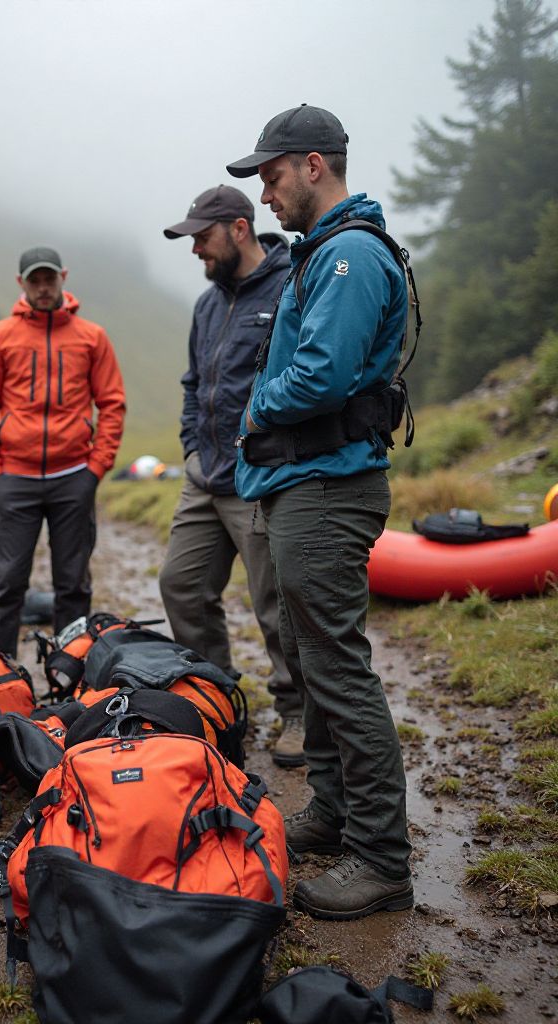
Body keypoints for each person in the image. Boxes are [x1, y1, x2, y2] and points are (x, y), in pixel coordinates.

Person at [228, 105, 413, 919]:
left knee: (337, 668)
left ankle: (381, 858)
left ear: (312, 165)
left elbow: (321, 378)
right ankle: (336, 813)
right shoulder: (323, 254)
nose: (264, 195)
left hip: (329, 488)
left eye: (269, 176)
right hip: (305, 484)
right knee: (314, 662)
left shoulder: (347, 258)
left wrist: (252, 412)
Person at [159, 185, 304, 766]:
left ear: (239, 229)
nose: (195, 249)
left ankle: (296, 712)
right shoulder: (206, 304)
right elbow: (195, 384)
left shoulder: (291, 284)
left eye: (202, 236)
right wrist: (192, 448)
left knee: (275, 601)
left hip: (261, 476)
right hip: (205, 476)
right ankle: (214, 696)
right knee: (181, 585)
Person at [0, 246, 126, 656]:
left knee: (73, 586)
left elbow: (112, 404)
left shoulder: (92, 338)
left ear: (63, 278)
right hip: (13, 480)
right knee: (5, 586)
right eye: (33, 280)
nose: (42, 287)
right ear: (21, 284)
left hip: (74, 477)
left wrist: (96, 468)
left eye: (48, 279)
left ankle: (69, 680)